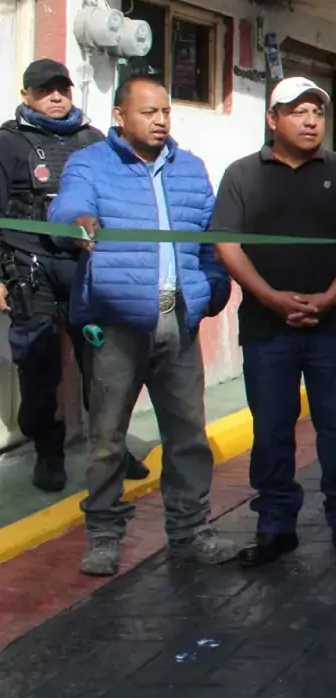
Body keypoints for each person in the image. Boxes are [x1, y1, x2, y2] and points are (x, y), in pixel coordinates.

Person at [50, 75, 235, 576]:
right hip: (117, 326)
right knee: (108, 439)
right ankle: (105, 534)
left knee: (188, 436)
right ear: (120, 116)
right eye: (148, 112)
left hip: (179, 322)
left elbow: (210, 239)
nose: (159, 121)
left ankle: (190, 532)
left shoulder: (190, 169)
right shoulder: (90, 164)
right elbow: (67, 206)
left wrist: (211, 292)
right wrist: (80, 222)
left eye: (166, 112)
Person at [211, 78, 336, 568]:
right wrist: (271, 299)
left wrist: (329, 298)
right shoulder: (242, 175)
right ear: (272, 119)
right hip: (268, 330)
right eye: (298, 111)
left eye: (317, 113)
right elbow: (227, 244)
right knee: (272, 430)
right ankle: (275, 526)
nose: (310, 121)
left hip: (331, 329)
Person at [0, 59, 139, 493]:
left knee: (104, 366)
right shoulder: (7, 142)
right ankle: (48, 452)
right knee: (39, 369)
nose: (56, 97)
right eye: (45, 90)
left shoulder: (93, 140)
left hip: (86, 267)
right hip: (29, 267)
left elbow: (118, 202)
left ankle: (111, 447)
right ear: (27, 96)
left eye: (62, 88)